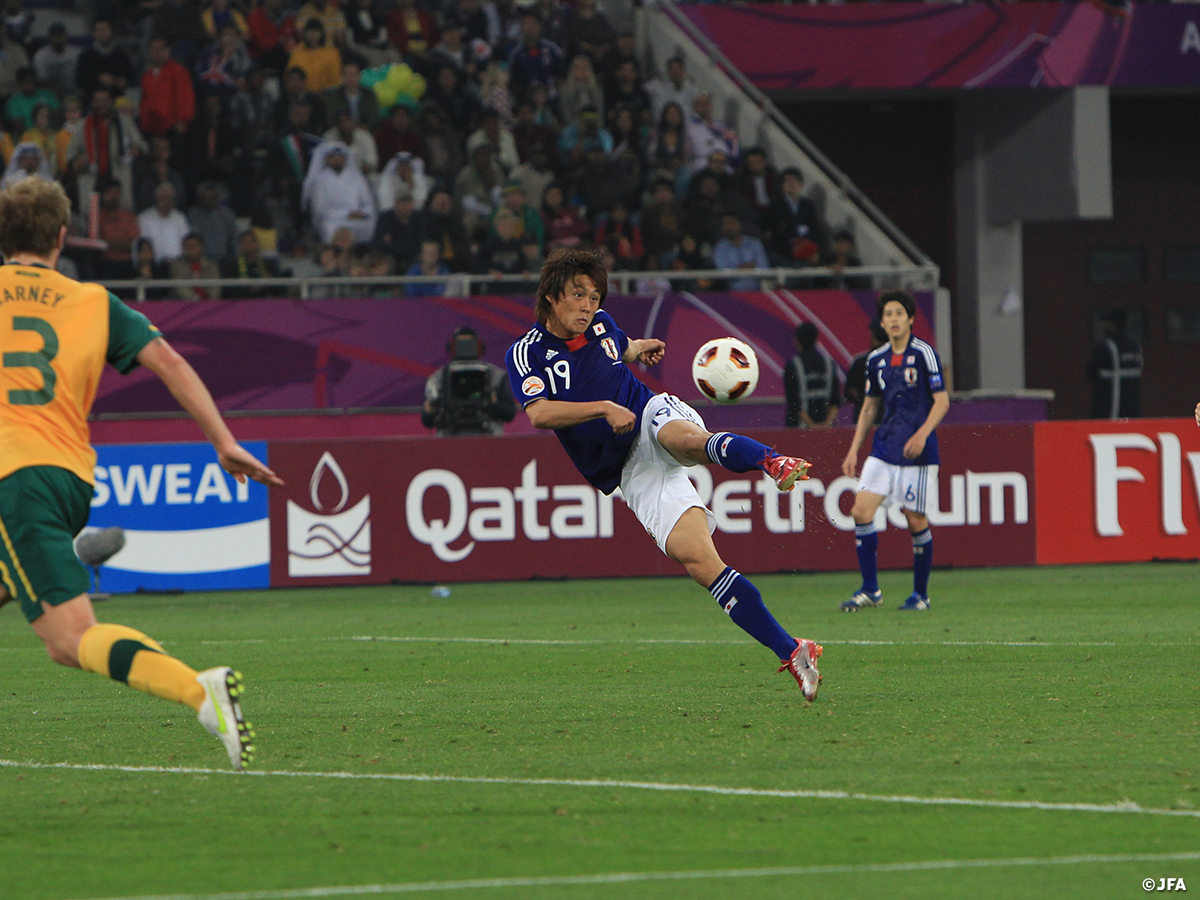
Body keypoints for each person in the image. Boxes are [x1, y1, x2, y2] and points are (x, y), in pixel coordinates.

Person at [0, 177, 282, 771]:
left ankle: (197, 691)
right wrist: (223, 441)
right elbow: (170, 361)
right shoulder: (95, 302)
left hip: (11, 475)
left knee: (71, 640)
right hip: (67, 478)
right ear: (60, 237)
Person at [505, 248, 823, 699]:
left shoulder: (602, 325)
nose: (588, 305)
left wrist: (638, 349)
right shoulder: (527, 352)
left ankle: (772, 461)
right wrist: (602, 405)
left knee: (687, 441)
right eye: (578, 295)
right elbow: (538, 413)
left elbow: (617, 348)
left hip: (649, 412)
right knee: (699, 563)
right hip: (627, 468)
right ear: (552, 296)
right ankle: (794, 651)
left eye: (594, 297)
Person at [840, 290, 949, 613]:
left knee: (914, 519)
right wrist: (853, 450)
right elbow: (870, 405)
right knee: (861, 512)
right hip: (885, 446)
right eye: (888, 314)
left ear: (911, 318)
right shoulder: (876, 360)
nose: (894, 319)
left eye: (900, 313)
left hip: (918, 451)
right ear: (882, 321)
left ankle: (920, 595)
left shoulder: (924, 354)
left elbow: (942, 400)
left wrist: (923, 433)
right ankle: (870, 590)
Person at [423, 327, 515, 435]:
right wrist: (431, 409)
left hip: (489, 437)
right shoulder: (438, 379)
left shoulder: (496, 376)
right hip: (449, 438)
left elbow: (509, 414)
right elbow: (427, 421)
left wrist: (494, 402)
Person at [1086, 309, 1142, 419]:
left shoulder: (1106, 346)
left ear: (1112, 324)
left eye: (1105, 322)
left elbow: (1089, 373)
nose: (1102, 325)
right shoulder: (1135, 346)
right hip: (1133, 409)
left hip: (1109, 410)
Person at [785, 322, 843, 429]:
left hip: (798, 431)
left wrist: (812, 426)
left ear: (797, 340)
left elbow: (793, 403)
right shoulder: (829, 364)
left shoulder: (792, 366)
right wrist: (826, 425)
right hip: (827, 430)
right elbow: (835, 401)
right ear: (816, 340)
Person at [844, 321, 888, 425]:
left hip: (865, 421)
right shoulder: (900, 362)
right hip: (892, 422)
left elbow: (849, 393)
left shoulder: (860, 362)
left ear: (873, 336)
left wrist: (861, 398)